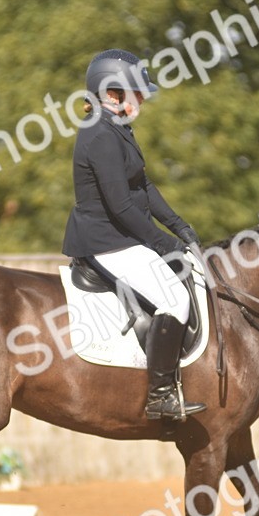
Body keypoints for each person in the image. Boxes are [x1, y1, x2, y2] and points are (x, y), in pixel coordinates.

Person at [62, 49, 206, 421]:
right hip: (107, 241)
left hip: (121, 236)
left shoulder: (117, 129)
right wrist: (166, 245)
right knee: (174, 300)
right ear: (112, 94)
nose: (141, 99)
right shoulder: (99, 136)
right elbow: (122, 206)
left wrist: (179, 225)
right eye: (135, 92)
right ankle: (160, 396)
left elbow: (144, 186)